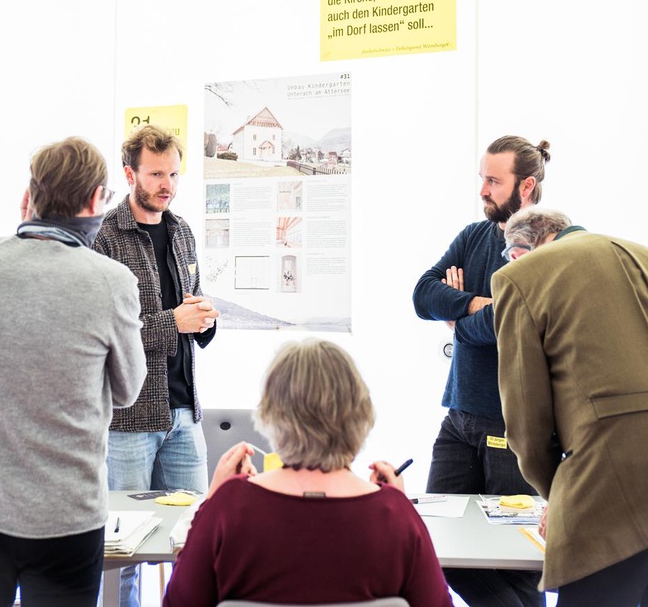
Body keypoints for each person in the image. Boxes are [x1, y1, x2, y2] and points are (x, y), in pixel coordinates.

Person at [0, 137, 147, 607]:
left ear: (28, 196)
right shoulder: (110, 280)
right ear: (96, 200)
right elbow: (128, 390)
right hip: (66, 520)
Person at [162, 338, 452, 607]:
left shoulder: (228, 506)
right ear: (360, 412)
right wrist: (396, 506)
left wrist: (211, 500)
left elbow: (177, 603)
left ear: (272, 414)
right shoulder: (395, 515)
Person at [412, 135, 551, 607]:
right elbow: (422, 295)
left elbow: (510, 323)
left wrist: (456, 319)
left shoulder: (545, 246)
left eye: (494, 180)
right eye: (482, 179)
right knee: (437, 547)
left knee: (517, 562)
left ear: (526, 186)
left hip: (512, 428)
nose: (483, 190)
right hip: (459, 417)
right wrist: (474, 302)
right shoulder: (474, 236)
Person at [493, 208, 648, 606]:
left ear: (517, 251)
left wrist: (559, 497)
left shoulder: (518, 277)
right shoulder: (639, 254)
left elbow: (526, 425)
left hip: (607, 483)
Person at [94, 124, 219, 607]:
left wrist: (202, 319)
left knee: (198, 547)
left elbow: (191, 306)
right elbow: (105, 334)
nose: (168, 185)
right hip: (129, 421)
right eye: (156, 175)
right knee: (122, 554)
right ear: (130, 175)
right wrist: (174, 322)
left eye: (173, 174)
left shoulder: (182, 231)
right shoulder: (104, 238)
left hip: (184, 415)